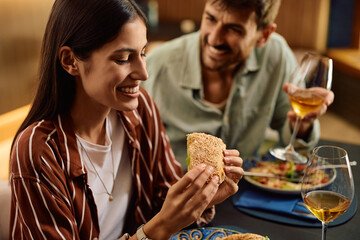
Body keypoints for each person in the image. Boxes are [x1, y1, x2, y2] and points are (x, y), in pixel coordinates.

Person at [8, 0, 243, 239]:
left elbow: (165, 202)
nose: (144, 73)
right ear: (71, 61)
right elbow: (162, 224)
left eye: (142, 53)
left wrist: (200, 198)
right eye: (122, 59)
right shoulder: (38, 151)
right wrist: (157, 229)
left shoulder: (140, 108)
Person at [142, 0, 334, 169]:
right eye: (210, 19)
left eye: (234, 29)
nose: (215, 39)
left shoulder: (276, 55)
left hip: (244, 194)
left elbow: (294, 147)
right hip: (173, 195)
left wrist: (302, 124)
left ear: (264, 35)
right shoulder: (156, 66)